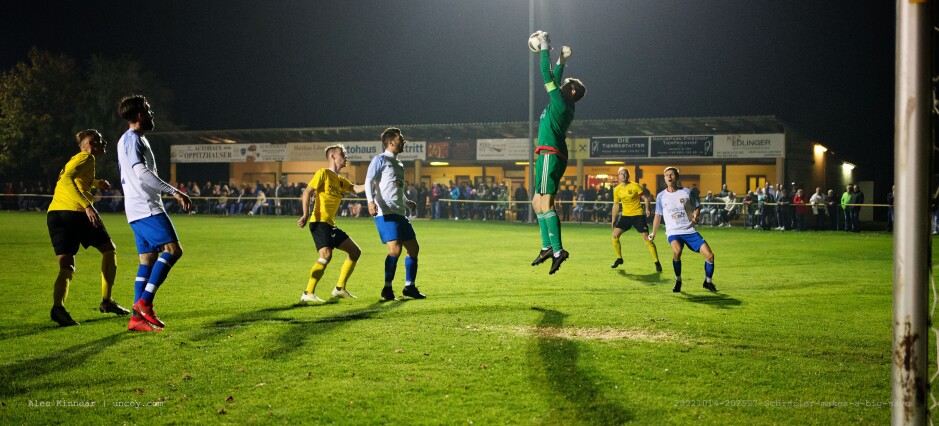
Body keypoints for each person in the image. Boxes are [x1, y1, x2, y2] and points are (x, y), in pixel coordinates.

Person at [116, 95, 192, 332]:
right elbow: (140, 172)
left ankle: (136, 320)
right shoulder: (132, 139)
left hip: (136, 209)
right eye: (148, 110)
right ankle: (144, 304)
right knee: (173, 250)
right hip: (146, 207)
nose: (151, 114)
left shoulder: (132, 139)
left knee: (147, 260)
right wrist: (174, 191)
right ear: (139, 115)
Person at [46, 129, 130, 326]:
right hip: (75, 212)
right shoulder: (87, 158)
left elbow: (72, 179)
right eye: (99, 141)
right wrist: (87, 205)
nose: (103, 144)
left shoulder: (75, 159)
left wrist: (96, 183)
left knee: (66, 265)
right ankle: (107, 301)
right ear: (90, 144)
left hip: (55, 214)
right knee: (109, 250)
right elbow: (68, 180)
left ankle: (58, 308)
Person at [528, 30, 586, 275]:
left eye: (565, 84)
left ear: (571, 91)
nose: (561, 84)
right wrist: (562, 60)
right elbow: (554, 76)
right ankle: (547, 247)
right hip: (549, 154)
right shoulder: (562, 102)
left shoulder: (562, 102)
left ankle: (558, 250)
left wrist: (544, 48)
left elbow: (545, 74)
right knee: (536, 202)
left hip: (550, 154)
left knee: (545, 203)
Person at [297, 144, 366, 303]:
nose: (346, 156)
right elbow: (307, 191)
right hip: (319, 222)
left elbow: (355, 188)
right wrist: (306, 214)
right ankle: (308, 292)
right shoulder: (323, 173)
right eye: (343, 153)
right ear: (333, 156)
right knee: (326, 255)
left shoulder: (340, 180)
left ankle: (339, 289)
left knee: (355, 252)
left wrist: (371, 183)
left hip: (330, 225)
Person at [366, 128, 425, 301]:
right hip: (385, 212)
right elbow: (369, 180)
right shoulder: (380, 159)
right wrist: (370, 201)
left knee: (413, 248)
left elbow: (395, 188)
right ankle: (387, 288)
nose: (404, 141)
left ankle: (409, 287)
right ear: (391, 142)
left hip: (399, 212)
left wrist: (406, 201)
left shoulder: (399, 164)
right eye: (401, 139)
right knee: (395, 249)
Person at [648, 167, 717, 293]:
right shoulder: (661, 196)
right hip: (673, 232)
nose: (669, 177)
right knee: (677, 251)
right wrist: (653, 233)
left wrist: (696, 216)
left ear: (677, 177)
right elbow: (658, 215)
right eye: (667, 175)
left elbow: (697, 206)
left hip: (690, 231)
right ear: (664, 178)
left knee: (710, 256)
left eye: (672, 175)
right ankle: (678, 280)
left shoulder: (687, 192)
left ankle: (708, 282)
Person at [609, 168, 662, 271]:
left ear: (628, 175)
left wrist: (647, 209)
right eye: (620, 174)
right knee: (614, 235)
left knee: (647, 238)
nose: (623, 175)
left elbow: (645, 198)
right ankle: (619, 258)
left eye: (625, 173)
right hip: (626, 216)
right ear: (618, 176)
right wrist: (613, 219)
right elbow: (616, 205)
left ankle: (657, 262)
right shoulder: (617, 189)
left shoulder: (635, 186)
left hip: (638, 215)